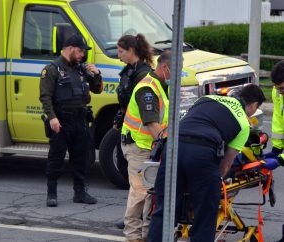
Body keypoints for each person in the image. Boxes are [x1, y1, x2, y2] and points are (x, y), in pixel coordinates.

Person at [148, 84, 266, 242]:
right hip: (202, 153)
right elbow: (226, 163)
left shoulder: (206, 99)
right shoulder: (243, 123)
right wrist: (214, 181)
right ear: (252, 106)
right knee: (205, 215)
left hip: (172, 147)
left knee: (164, 211)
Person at [39, 34, 103, 207]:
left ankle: (80, 192)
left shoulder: (81, 69)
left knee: (80, 158)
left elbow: (97, 90)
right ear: (70, 48)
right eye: (80, 51)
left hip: (79, 120)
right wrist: (52, 117)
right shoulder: (52, 69)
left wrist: (96, 74)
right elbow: (45, 96)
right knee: (56, 159)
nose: (82, 55)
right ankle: (51, 193)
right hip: (61, 121)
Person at [121, 50, 171, 242]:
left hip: (151, 147)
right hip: (138, 146)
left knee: (152, 194)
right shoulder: (147, 88)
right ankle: (133, 237)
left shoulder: (160, 84)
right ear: (166, 68)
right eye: (177, 70)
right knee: (140, 192)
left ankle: (147, 235)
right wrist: (168, 144)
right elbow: (151, 123)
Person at [114, 33, 153, 230]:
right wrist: (119, 119)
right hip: (128, 130)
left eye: (121, 52)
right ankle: (133, 218)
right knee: (134, 183)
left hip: (139, 138)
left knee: (139, 185)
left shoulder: (143, 74)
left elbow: (139, 106)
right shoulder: (130, 70)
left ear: (131, 51)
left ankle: (136, 223)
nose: (118, 55)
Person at [264, 60, 284, 159]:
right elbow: (278, 118)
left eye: (283, 88)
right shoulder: (277, 92)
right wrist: (277, 148)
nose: (280, 92)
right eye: (278, 88)